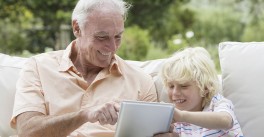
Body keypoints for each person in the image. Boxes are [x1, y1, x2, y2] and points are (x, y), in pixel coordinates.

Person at [10, 0, 157, 136]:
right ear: (77, 28)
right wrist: (85, 115)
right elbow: (27, 131)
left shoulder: (141, 81)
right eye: (102, 37)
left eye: (118, 36)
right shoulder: (38, 67)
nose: (113, 47)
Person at [154, 47, 243, 137]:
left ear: (205, 88)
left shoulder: (217, 103)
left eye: (184, 86)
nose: (175, 93)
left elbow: (225, 121)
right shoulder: (174, 122)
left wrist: (183, 116)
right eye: (171, 86)